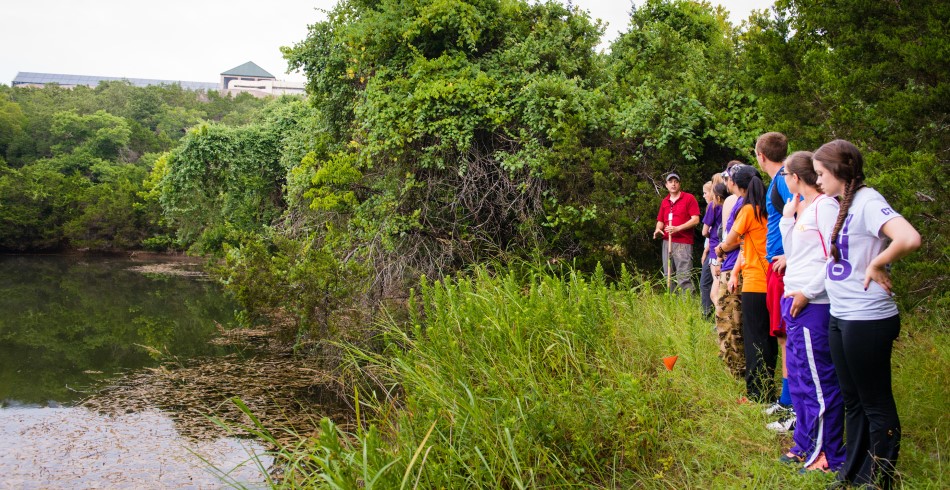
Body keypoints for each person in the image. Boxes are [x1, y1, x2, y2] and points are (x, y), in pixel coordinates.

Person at [815, 139, 921, 489]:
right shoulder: (841, 203)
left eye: (821, 173)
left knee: (875, 402)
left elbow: (909, 238)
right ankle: (853, 473)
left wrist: (878, 263)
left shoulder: (868, 201)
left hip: (867, 317)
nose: (817, 181)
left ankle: (880, 480)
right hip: (841, 313)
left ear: (838, 171)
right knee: (853, 399)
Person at [776, 151, 845, 473]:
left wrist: (808, 292)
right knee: (801, 379)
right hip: (794, 300)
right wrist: (787, 218)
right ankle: (804, 444)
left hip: (813, 304)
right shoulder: (805, 207)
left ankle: (828, 452)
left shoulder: (826, 207)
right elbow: (794, 254)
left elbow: (835, 256)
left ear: (795, 176)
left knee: (819, 381)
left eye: (785, 174)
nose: (784, 180)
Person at [715, 164, 776, 403]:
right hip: (770, 280)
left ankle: (757, 394)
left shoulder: (748, 210)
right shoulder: (768, 208)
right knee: (768, 339)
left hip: (754, 282)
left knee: (754, 340)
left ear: (740, 186)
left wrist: (720, 249)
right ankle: (767, 390)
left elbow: (731, 240)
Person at [754, 132, 796, 421]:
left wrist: (790, 256)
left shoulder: (783, 179)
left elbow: (802, 213)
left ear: (761, 156)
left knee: (787, 336)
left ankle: (792, 402)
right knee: (782, 335)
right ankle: (786, 398)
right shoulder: (778, 180)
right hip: (777, 266)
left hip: (783, 267)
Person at [712, 162, 745, 379]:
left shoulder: (743, 203)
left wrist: (721, 249)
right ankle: (731, 365)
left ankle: (738, 369)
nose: (726, 182)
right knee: (724, 317)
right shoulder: (734, 201)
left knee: (732, 321)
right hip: (729, 264)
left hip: (735, 266)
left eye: (728, 178)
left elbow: (736, 238)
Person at [653, 173, 700, 294]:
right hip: (667, 242)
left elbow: (695, 219)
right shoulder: (665, 201)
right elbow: (660, 221)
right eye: (670, 182)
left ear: (679, 184)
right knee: (668, 276)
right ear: (666, 185)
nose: (673, 184)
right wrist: (658, 229)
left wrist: (678, 228)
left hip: (683, 243)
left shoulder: (689, 198)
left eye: (676, 182)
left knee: (684, 276)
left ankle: (687, 301)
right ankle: (673, 302)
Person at [699, 181, 715, 317]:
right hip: (713, 248)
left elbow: (708, 232)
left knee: (705, 282)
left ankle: (707, 313)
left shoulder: (712, 206)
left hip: (712, 250)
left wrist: (705, 251)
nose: (704, 196)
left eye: (705, 193)